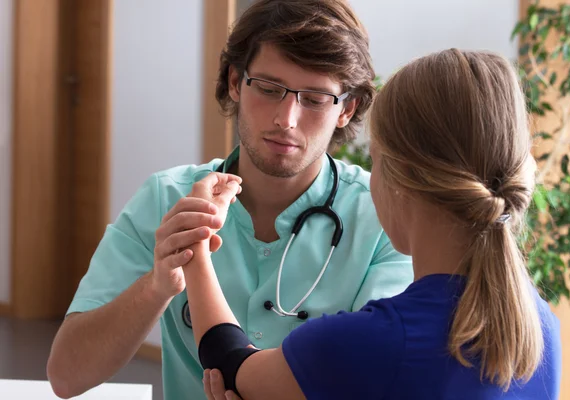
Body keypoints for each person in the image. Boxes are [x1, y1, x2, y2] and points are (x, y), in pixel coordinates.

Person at [46, 1, 413, 399]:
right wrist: (157, 285)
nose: (286, 119)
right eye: (270, 90)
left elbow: (380, 383)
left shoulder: (382, 216)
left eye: (314, 99)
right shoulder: (166, 199)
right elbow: (67, 375)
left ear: (348, 108)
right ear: (236, 82)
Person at [184, 48, 562, 400]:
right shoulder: (539, 326)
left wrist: (196, 247)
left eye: (376, 161)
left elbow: (232, 366)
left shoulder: (372, 342)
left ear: (402, 181)